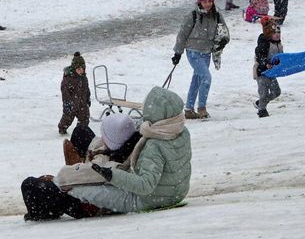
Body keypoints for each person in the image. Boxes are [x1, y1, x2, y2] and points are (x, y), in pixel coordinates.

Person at [22, 86, 190, 219]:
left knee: (33, 186)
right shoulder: (176, 131)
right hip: (171, 193)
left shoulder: (154, 144)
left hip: (141, 198)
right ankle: (73, 176)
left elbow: (144, 186)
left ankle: (50, 206)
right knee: (81, 133)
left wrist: (111, 175)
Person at [172, 0, 229, 120]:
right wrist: (177, 53)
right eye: (204, 1)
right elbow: (182, 34)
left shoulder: (217, 15)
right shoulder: (193, 15)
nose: (207, 4)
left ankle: (189, 109)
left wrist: (223, 41)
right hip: (193, 52)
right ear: (199, 2)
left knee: (197, 80)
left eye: (210, 1)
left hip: (206, 52)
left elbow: (224, 31)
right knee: (206, 78)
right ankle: (202, 108)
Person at [254, 16, 282, 118]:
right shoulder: (264, 43)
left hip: (271, 72)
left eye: (279, 33)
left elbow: (280, 57)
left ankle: (260, 103)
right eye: (275, 33)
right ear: (268, 33)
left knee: (276, 92)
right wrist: (265, 63)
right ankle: (262, 111)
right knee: (263, 92)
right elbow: (260, 55)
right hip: (261, 72)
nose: (277, 35)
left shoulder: (278, 44)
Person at [57, 52, 91, 135]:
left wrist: (88, 98)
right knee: (67, 119)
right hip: (71, 104)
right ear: (74, 69)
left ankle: (80, 131)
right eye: (78, 69)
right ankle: (62, 128)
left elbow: (86, 89)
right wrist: (68, 103)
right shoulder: (68, 79)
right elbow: (65, 93)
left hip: (82, 103)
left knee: (85, 118)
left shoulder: (84, 78)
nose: (81, 71)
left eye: (82, 69)